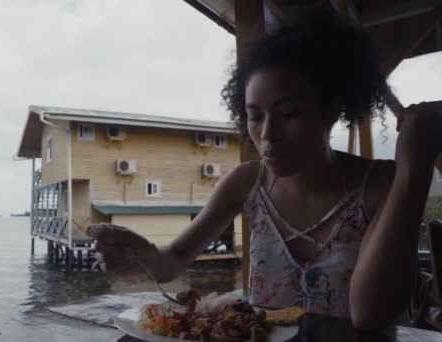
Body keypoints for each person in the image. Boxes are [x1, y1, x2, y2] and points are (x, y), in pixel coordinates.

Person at [87, 15, 442, 330]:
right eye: (255, 116)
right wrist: (141, 253)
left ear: (332, 108)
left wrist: (415, 171)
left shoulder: (379, 184)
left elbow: (370, 314)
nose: (268, 135)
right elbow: (172, 263)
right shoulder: (247, 183)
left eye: (288, 114)